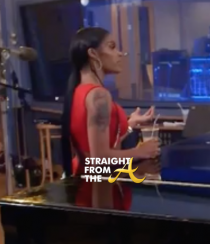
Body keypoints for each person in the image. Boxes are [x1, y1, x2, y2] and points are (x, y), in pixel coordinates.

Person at [61, 27, 160, 177]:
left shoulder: (79, 90)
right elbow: (99, 159)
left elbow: (98, 142)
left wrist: (131, 124)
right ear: (93, 54)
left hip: (84, 177)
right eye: (112, 47)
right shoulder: (99, 96)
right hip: (97, 185)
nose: (120, 53)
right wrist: (139, 152)